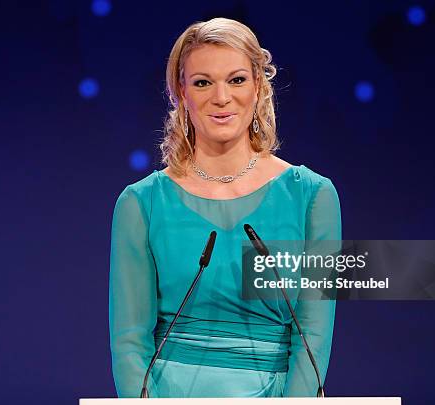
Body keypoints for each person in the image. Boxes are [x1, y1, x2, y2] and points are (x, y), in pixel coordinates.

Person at [109, 17, 341, 398]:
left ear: (259, 87)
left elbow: (313, 334)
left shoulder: (313, 197)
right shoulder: (141, 203)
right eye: (202, 82)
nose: (221, 97)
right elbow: (130, 343)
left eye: (236, 80)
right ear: (180, 93)